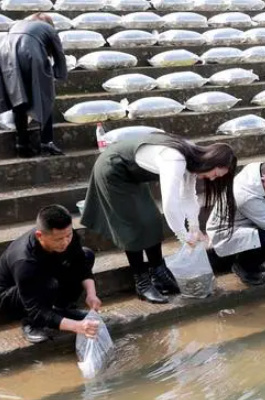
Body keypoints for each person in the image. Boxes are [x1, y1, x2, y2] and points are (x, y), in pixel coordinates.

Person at [81, 133, 237, 304]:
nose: (212, 178)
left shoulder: (195, 161)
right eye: (215, 173)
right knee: (132, 225)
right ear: (211, 161)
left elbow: (188, 196)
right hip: (113, 169)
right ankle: (142, 283)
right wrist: (183, 236)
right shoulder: (176, 160)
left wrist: (194, 227)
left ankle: (158, 273)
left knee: (153, 219)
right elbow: (171, 203)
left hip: (134, 174)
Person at [0, 205, 100, 344]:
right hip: (11, 295)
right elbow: (36, 309)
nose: (65, 242)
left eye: (68, 235)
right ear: (40, 236)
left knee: (87, 254)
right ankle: (31, 323)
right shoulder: (25, 261)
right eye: (59, 239)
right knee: (47, 282)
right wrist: (77, 327)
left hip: (43, 275)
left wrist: (91, 294)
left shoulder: (67, 236)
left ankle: (62, 308)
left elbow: (81, 265)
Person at [0, 13, 67, 158]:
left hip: (5, 54)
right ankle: (46, 142)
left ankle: (22, 145)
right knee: (46, 96)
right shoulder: (48, 29)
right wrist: (59, 74)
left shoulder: (17, 24)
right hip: (30, 52)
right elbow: (59, 54)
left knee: (18, 97)